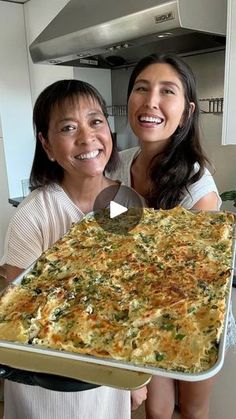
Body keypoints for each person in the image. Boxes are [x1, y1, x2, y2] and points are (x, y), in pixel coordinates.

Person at [0, 79, 143, 419]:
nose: (87, 137)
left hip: (108, 376)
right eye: (68, 127)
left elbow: (136, 299)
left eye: (95, 121)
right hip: (48, 385)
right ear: (47, 145)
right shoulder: (33, 215)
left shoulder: (127, 204)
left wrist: (135, 377)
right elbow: (19, 315)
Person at [108, 53, 236, 419]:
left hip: (194, 315)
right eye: (142, 89)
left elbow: (193, 285)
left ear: (187, 110)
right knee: (157, 408)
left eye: (168, 91)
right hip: (143, 306)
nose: (151, 102)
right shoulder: (119, 164)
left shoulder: (199, 189)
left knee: (192, 410)